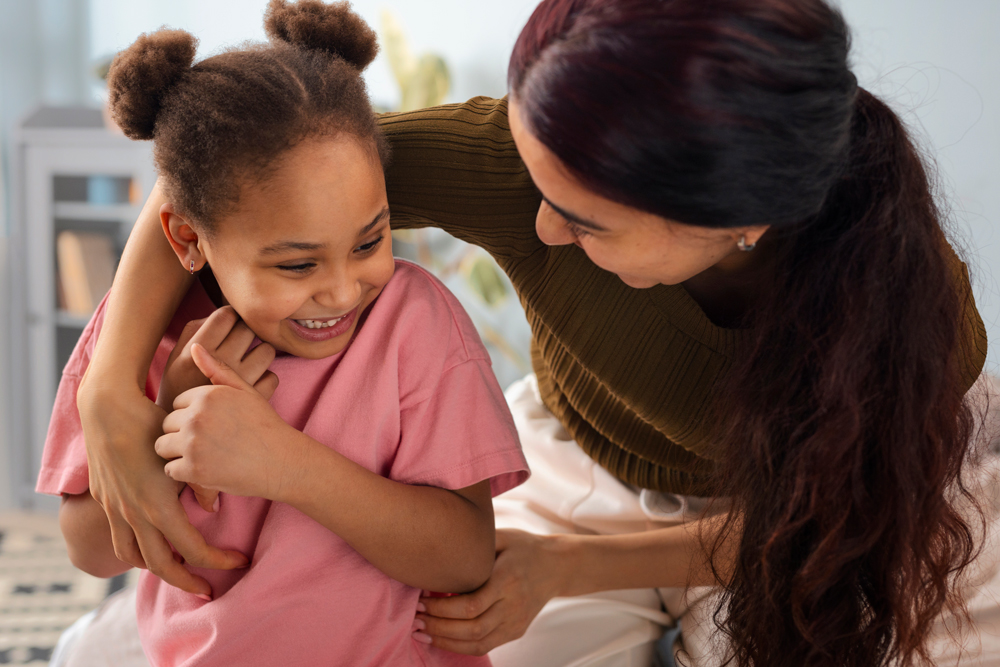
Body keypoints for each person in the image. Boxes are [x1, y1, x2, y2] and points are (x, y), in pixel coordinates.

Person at [70, 0, 1000, 665]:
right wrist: (114, 390)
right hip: (581, 465)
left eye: (585, 221)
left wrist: (576, 564)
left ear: (737, 219)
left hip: (848, 514)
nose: (542, 229)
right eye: (536, 184)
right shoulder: (518, 164)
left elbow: (826, 525)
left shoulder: (908, 317)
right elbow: (226, 163)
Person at [38, 3, 530, 665]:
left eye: (369, 240)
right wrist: (167, 427)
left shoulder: (415, 322)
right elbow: (88, 549)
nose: (341, 289)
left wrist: (284, 465)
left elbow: (466, 558)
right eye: (297, 264)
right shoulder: (144, 339)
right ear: (188, 238)